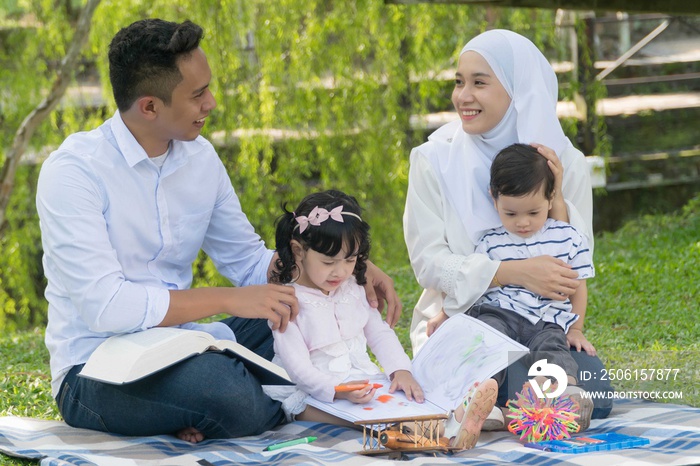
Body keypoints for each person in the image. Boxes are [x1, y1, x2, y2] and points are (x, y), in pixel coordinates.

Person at [35, 18, 400, 444]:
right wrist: (230, 300)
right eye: (197, 94)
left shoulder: (200, 158)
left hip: (190, 345)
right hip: (97, 370)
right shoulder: (74, 173)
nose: (211, 103)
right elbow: (108, 308)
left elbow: (248, 260)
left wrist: (332, 266)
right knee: (222, 390)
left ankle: (243, 401)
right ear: (149, 106)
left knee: (305, 307)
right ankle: (294, 402)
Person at [403, 29, 614, 429]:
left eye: (479, 82)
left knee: (597, 394)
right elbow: (428, 263)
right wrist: (508, 273)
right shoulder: (433, 160)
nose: (463, 96)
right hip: (466, 319)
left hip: (545, 326)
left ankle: (483, 400)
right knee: (534, 390)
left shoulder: (565, 161)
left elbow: (572, 260)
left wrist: (556, 201)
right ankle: (475, 393)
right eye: (459, 81)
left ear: (520, 89)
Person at [264, 190, 496, 450]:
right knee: (362, 419)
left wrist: (401, 370)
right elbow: (298, 369)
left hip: (360, 381)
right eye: (329, 262)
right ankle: (444, 435)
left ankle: (451, 419)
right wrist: (338, 389)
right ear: (298, 251)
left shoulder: (351, 287)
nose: (340, 271)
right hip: (309, 393)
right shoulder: (287, 301)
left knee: (408, 395)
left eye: (350, 260)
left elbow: (379, 333)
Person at [428, 143, 597, 430]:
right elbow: (476, 283)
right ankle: (480, 401)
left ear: (551, 197)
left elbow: (577, 286)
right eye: (511, 213)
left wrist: (576, 328)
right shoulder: (490, 241)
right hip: (500, 313)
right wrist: (446, 313)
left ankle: (559, 395)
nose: (522, 223)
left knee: (554, 349)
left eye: (533, 213)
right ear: (494, 199)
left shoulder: (568, 237)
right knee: (486, 343)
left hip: (546, 320)